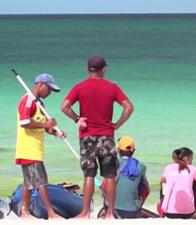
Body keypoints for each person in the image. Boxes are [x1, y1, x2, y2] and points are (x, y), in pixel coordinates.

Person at [60, 56, 134, 218]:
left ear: (88, 69)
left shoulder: (79, 87)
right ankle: (109, 213)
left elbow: (64, 107)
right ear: (103, 70)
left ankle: (85, 213)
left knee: (89, 175)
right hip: (106, 137)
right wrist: (118, 124)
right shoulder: (112, 87)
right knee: (109, 175)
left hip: (87, 137)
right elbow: (129, 107)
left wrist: (77, 119)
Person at [15, 73, 64, 219]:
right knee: (41, 182)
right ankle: (51, 213)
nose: (49, 93)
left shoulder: (40, 104)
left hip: (36, 148)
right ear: (41, 85)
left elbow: (43, 128)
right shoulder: (28, 100)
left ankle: (25, 211)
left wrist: (54, 132)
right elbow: (24, 123)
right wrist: (45, 124)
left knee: (29, 183)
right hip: (28, 148)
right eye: (49, 89)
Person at [99, 136, 150, 219]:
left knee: (108, 183)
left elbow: (104, 187)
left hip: (109, 208)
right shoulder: (141, 167)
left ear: (118, 150)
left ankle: (107, 211)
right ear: (133, 150)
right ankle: (136, 207)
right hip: (131, 211)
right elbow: (147, 189)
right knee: (142, 184)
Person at [159, 147, 196, 219]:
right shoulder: (193, 169)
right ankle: (192, 203)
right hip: (188, 212)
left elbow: (162, 183)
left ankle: (163, 203)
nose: (192, 162)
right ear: (185, 158)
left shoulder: (168, 168)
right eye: (191, 159)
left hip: (168, 212)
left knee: (163, 184)